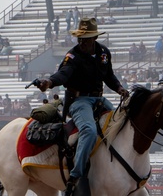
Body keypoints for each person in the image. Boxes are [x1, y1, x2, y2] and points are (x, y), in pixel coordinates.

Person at [35, 18, 128, 196]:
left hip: (99, 99)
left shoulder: (103, 53)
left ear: (94, 38)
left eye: (85, 38)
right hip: (79, 101)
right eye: (80, 38)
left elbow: (109, 76)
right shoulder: (73, 56)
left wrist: (119, 88)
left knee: (121, 120)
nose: (81, 42)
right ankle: (76, 174)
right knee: (89, 130)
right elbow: (63, 74)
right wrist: (49, 81)